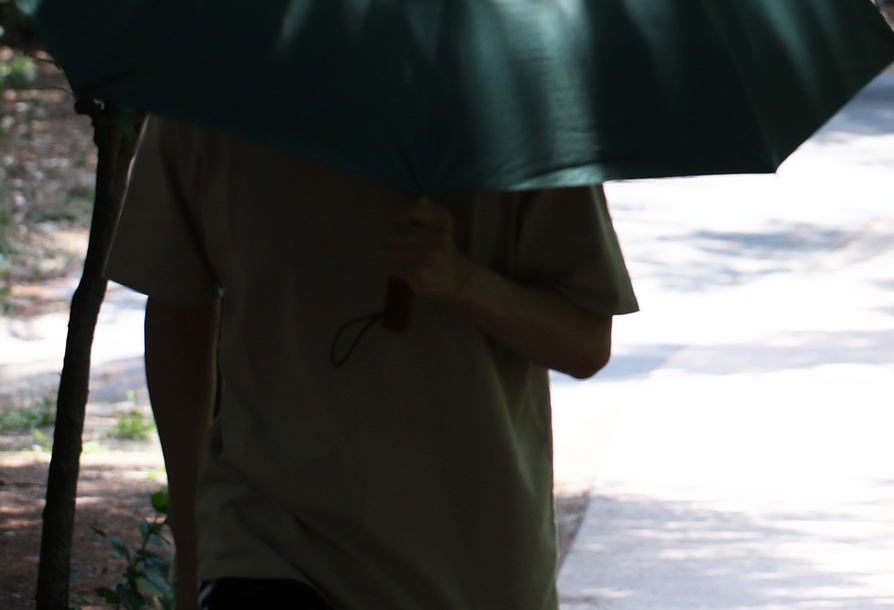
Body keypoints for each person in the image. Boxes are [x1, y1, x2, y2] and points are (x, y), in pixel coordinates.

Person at [107, 117, 638, 610]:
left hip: (468, 560)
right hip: (268, 541)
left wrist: (462, 281)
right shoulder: (206, 92)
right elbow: (179, 316)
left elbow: (585, 343)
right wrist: (195, 534)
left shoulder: (515, 110)